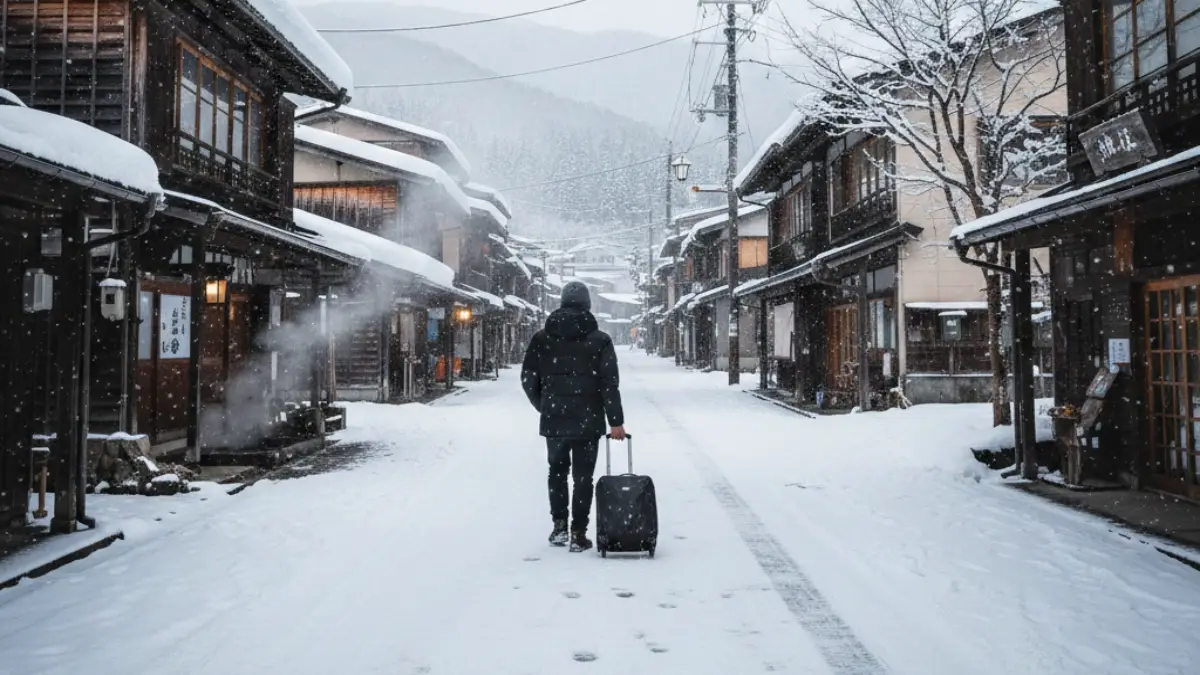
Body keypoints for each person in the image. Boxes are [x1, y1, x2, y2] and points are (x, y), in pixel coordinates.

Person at [521, 281, 626, 553]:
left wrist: (545, 404)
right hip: (588, 420)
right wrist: (615, 421)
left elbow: (528, 378)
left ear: (562, 302)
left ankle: (559, 527)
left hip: (554, 418)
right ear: (587, 304)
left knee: (556, 473)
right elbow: (609, 383)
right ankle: (578, 533)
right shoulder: (600, 340)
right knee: (583, 477)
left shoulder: (542, 338)